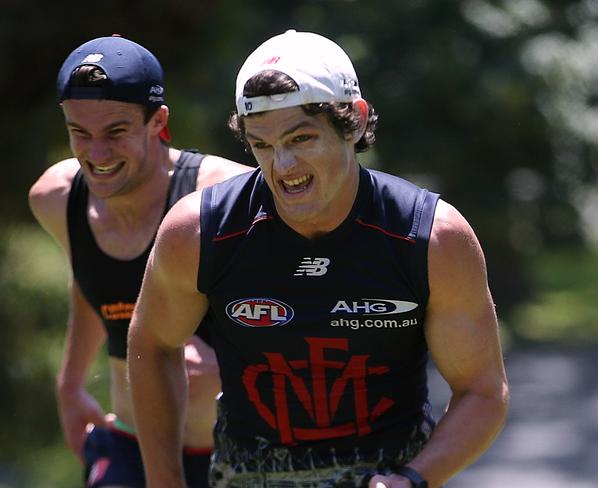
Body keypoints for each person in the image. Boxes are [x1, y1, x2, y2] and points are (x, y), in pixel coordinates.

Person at [128, 29, 509, 488]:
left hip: (386, 475)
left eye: (301, 138)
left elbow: (483, 392)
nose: (282, 166)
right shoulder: (198, 232)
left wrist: (413, 479)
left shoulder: (430, 238)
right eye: (262, 145)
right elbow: (151, 346)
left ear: (354, 122)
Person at [28, 35, 251, 488]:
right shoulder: (56, 200)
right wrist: (70, 386)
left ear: (158, 121)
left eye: (116, 132)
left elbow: (295, 315)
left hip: (239, 452)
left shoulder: (224, 198)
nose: (98, 154)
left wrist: (226, 362)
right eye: (80, 134)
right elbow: (91, 282)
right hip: (129, 445)